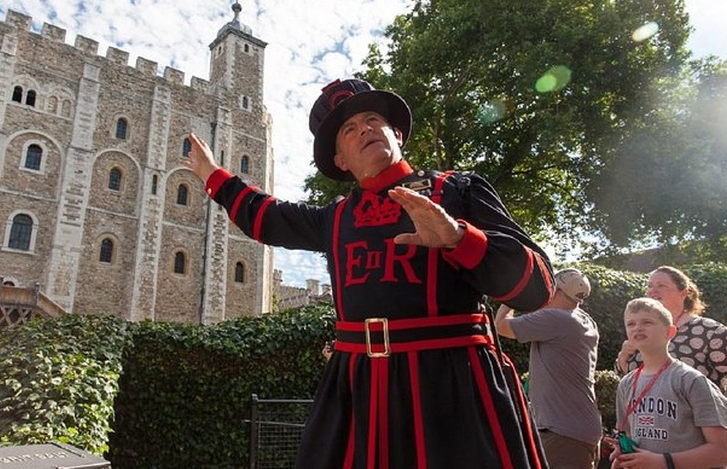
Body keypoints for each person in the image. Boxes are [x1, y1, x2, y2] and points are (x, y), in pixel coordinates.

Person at [184, 78, 554, 468]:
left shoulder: (458, 189)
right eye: (349, 128)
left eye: (373, 119)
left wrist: (459, 238)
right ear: (340, 160)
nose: (364, 129)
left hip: (453, 395)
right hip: (355, 397)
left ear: (397, 134)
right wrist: (213, 176)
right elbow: (268, 216)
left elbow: (538, 288)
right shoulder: (334, 218)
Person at [495, 268, 602, 468]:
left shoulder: (556, 319)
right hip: (576, 429)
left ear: (556, 291)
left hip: (562, 433)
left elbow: (500, 326)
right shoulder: (583, 319)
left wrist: (513, 297)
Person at [610, 297, 727, 469]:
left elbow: (723, 453)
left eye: (647, 322)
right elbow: (629, 435)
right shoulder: (626, 383)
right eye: (631, 324)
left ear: (670, 332)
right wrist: (624, 452)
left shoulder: (691, 381)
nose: (638, 328)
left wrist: (663, 462)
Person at [615, 266, 727, 394]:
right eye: (650, 286)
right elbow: (627, 386)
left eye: (661, 286)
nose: (653, 291)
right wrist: (623, 359)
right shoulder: (642, 330)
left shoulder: (708, 331)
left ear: (684, 293)